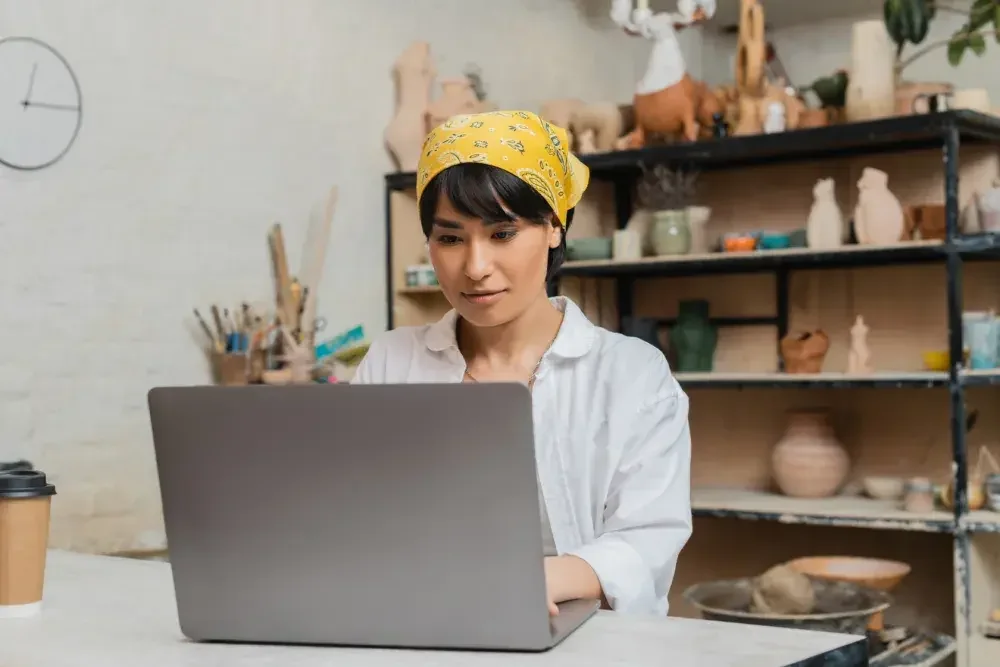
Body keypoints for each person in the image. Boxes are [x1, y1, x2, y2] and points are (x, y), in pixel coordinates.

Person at [353, 110, 692, 616]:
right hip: (424, 626)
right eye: (450, 238)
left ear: (554, 227)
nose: (475, 267)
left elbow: (648, 541)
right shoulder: (391, 362)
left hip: (581, 637)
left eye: (502, 233)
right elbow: (353, 514)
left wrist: (531, 581)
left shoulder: (632, 375)